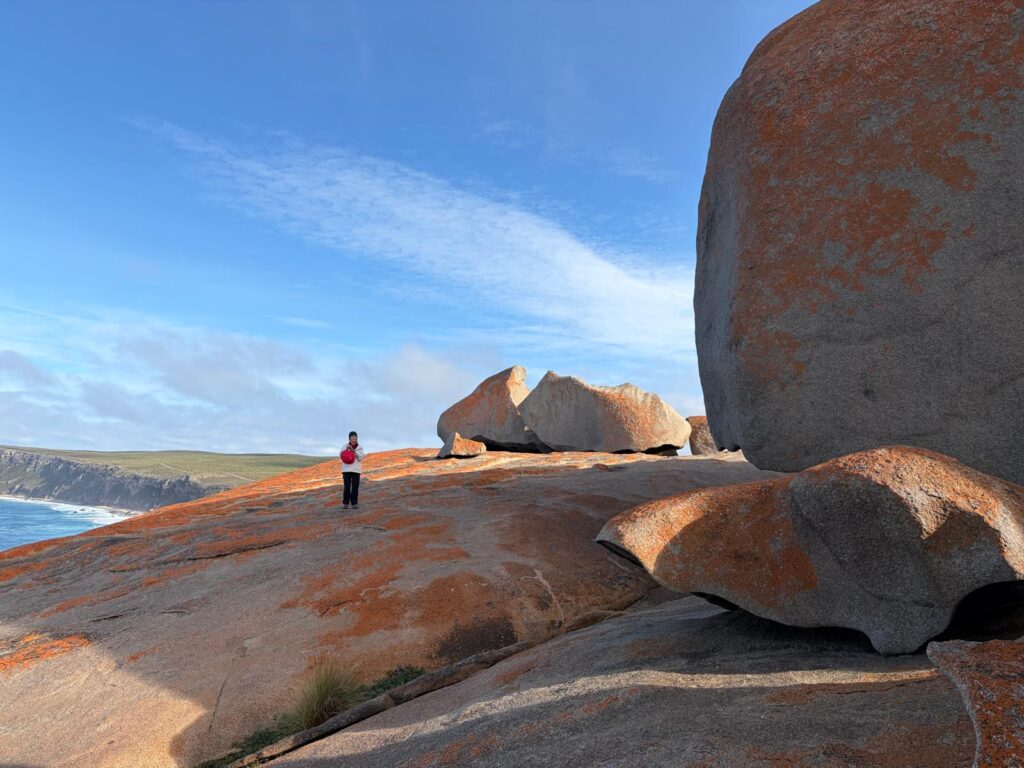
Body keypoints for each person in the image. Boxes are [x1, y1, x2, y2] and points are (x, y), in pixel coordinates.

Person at [340, 431, 365, 509]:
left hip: (356, 470)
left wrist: (354, 452)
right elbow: (341, 456)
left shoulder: (359, 447)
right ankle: (345, 503)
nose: (354, 438)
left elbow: (360, 458)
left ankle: (354, 503)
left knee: (355, 486)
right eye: (352, 436)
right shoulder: (345, 446)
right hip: (346, 469)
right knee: (347, 486)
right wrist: (347, 451)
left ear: (357, 438)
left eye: (355, 436)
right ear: (349, 438)